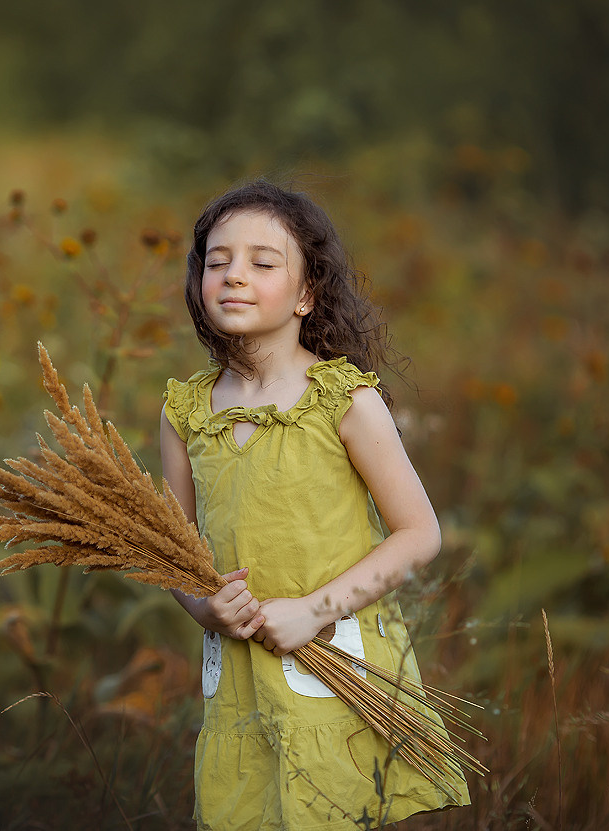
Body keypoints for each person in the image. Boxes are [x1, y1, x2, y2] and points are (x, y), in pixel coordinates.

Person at [160, 181, 471, 828]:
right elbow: (171, 549)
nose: (234, 276)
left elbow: (419, 533)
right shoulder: (185, 412)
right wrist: (202, 606)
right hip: (240, 684)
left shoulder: (343, 400)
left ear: (306, 294)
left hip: (334, 669)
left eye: (262, 263)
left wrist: (312, 610)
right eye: (217, 261)